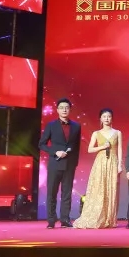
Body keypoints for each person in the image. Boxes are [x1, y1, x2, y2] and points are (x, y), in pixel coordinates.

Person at [73, 108, 122, 229]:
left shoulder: (117, 133)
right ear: (100, 118)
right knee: (99, 188)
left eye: (109, 116)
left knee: (111, 189)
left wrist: (120, 165)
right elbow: (90, 149)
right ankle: (97, 216)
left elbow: (120, 149)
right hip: (100, 163)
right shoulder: (96, 133)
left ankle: (109, 219)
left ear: (112, 118)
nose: (107, 118)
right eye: (104, 116)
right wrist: (102, 147)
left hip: (113, 162)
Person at [38, 97, 81, 228]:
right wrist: (55, 152)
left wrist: (75, 163)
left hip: (69, 165)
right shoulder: (51, 125)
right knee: (52, 192)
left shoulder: (76, 126)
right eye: (61, 108)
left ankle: (65, 219)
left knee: (67, 193)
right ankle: (51, 220)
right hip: (55, 164)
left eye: (66, 108)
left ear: (70, 109)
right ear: (57, 110)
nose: (64, 110)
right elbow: (42, 144)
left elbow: (77, 146)